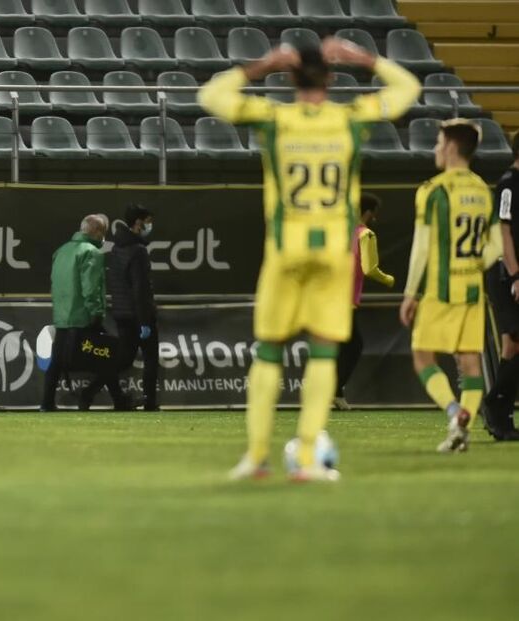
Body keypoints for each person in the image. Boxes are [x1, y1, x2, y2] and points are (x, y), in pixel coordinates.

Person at [199, 39, 420, 481]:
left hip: (286, 250)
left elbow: (211, 96)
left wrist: (263, 65)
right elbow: (409, 89)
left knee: (268, 352)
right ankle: (305, 459)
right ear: (332, 78)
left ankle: (256, 457)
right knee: (323, 353)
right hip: (334, 252)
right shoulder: (350, 119)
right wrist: (365, 58)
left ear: (289, 77)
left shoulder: (274, 120)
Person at [400, 119, 503, 452]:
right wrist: (474, 263)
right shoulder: (483, 191)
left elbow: (421, 248)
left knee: (422, 357)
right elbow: (497, 246)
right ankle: (462, 428)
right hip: (472, 290)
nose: (435, 148)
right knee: (471, 364)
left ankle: (453, 411)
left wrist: (410, 293)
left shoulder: (432, 191)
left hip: (440, 291)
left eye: (438, 142)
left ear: (451, 147)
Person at [41, 214, 129, 412]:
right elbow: (91, 288)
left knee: (56, 362)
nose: (104, 237)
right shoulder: (91, 252)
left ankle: (46, 403)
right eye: (103, 232)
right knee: (109, 356)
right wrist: (96, 313)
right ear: (97, 232)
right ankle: (107, 398)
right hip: (83, 317)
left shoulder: (61, 251)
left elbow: (54, 283)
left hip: (62, 316)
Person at [334, 193, 396, 410]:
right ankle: (334, 390)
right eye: (374, 213)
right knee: (353, 346)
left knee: (343, 346)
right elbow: (369, 268)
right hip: (345, 299)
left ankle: (335, 391)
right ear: (368, 213)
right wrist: (389, 280)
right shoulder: (365, 235)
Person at [482, 132, 519, 440]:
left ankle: (500, 416)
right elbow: (503, 231)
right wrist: (515, 275)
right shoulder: (508, 184)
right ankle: (495, 407)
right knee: (514, 342)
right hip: (505, 274)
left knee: (513, 345)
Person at [107, 203, 158, 411]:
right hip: (139, 315)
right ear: (138, 223)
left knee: (124, 360)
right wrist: (145, 321)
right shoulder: (138, 251)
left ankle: (91, 390)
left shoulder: (117, 247)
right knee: (151, 359)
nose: (150, 226)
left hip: (122, 313)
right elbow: (140, 289)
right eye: (148, 222)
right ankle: (149, 402)